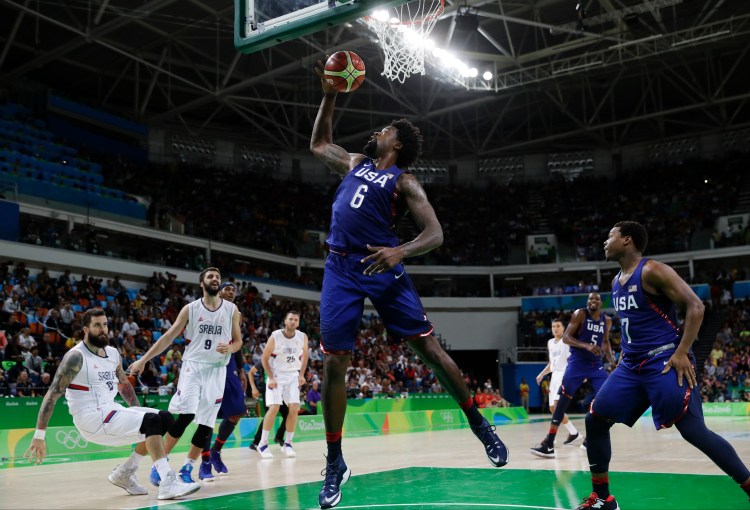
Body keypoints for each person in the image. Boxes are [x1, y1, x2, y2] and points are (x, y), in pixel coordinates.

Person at [311, 60, 508, 510]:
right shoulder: (356, 163)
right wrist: (329, 93)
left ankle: (479, 424)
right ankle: (335, 460)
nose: (376, 132)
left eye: (383, 130)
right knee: (334, 364)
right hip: (340, 268)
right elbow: (320, 142)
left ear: (396, 143)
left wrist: (400, 251)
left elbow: (435, 234)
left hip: (383, 267)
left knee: (431, 351)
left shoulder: (405, 181)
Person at [575, 221, 750, 509]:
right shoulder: (616, 281)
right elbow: (636, 324)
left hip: (664, 360)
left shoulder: (652, 269)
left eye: (610, 236)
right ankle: (603, 498)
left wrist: (682, 352)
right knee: (595, 420)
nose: (605, 242)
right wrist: (624, 354)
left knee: (694, 431)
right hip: (631, 365)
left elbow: (696, 306)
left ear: (627, 240)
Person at [23, 308, 200, 500]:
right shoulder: (76, 357)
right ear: (85, 329)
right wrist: (39, 435)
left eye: (105, 324)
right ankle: (167, 482)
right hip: (90, 418)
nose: (103, 329)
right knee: (151, 421)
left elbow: (124, 385)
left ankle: (125, 472)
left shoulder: (113, 353)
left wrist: (136, 411)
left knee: (164, 418)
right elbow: (52, 395)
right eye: (97, 325)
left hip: (111, 410)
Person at [128, 267, 242, 486]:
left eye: (218, 276)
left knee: (207, 423)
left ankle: (187, 468)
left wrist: (230, 348)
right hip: (193, 367)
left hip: (217, 370)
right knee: (186, 415)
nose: (215, 279)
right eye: (210, 276)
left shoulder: (231, 309)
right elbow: (168, 337)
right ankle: (159, 465)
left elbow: (237, 342)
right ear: (202, 283)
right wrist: (143, 360)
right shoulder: (190, 309)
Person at [531, 292, 614, 458]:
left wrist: (612, 361)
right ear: (587, 301)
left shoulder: (607, 320)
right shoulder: (580, 314)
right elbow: (567, 337)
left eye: (596, 299)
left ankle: (589, 439)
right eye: (590, 298)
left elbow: (605, 341)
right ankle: (549, 443)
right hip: (576, 364)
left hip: (595, 365)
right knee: (561, 403)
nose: (593, 301)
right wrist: (587, 346)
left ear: (601, 302)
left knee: (608, 400)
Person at [198, 281, 247, 481]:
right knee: (207, 416)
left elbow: (237, 342)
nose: (230, 292)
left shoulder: (236, 313)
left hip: (229, 366)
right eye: (227, 289)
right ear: (218, 291)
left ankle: (216, 450)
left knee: (237, 412)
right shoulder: (207, 308)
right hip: (207, 364)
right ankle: (205, 461)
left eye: (233, 290)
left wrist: (241, 368)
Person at [255, 310, 309, 458]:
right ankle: (262, 443)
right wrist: (271, 378)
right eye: (290, 319)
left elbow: (305, 356)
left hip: (292, 375)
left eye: (296, 320)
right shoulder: (275, 336)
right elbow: (264, 358)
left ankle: (288, 443)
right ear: (285, 321)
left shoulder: (302, 337)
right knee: (274, 407)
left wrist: (302, 374)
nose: (293, 322)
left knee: (294, 407)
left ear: (298, 323)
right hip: (277, 375)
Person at [535, 319, 580, 445]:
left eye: (558, 326)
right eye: (553, 326)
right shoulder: (550, 342)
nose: (555, 328)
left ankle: (551, 439)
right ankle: (573, 433)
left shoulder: (567, 341)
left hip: (564, 375)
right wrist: (541, 374)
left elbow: (573, 360)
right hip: (554, 376)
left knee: (557, 407)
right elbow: (551, 363)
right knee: (552, 408)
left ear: (563, 328)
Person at [247, 358, 289, 450]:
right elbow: (250, 373)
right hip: (269, 389)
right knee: (269, 415)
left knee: (288, 414)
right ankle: (256, 442)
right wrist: (254, 388)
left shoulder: (283, 357)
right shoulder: (266, 357)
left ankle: (279, 437)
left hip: (280, 390)